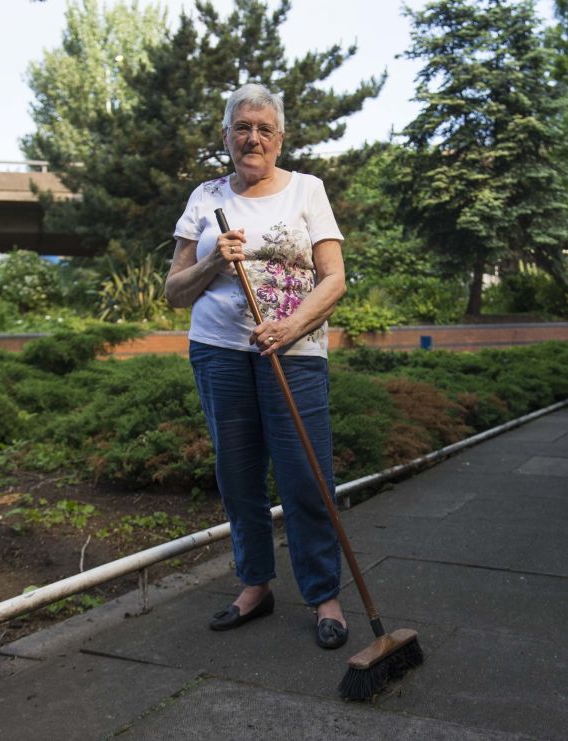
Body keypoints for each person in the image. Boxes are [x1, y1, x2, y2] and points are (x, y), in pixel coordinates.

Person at [164, 83, 349, 650]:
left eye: (264, 128)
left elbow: (334, 279)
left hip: (292, 355)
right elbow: (173, 292)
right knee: (239, 477)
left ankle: (324, 595)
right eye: (242, 127)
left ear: (280, 137)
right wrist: (212, 260)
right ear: (226, 136)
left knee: (307, 477)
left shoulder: (308, 191)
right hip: (219, 353)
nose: (253, 138)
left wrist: (290, 326)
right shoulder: (205, 198)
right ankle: (255, 586)